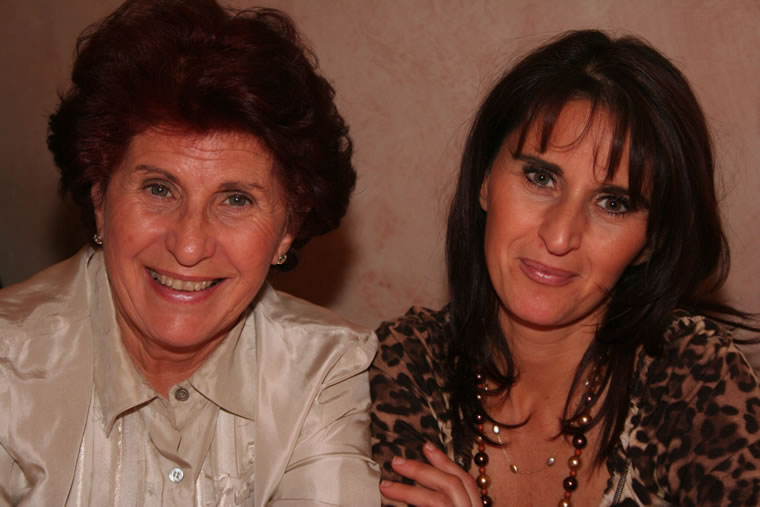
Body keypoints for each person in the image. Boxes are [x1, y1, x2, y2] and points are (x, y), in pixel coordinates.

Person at [0, 0, 380, 504]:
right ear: (100, 200)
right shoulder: (9, 365)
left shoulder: (322, 368)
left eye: (236, 199)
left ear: (288, 230)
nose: (188, 245)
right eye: (159, 189)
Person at [370, 29, 760, 506]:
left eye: (613, 203)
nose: (559, 237)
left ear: (651, 242)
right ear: (485, 180)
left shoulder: (692, 377)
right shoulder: (405, 364)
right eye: (540, 177)